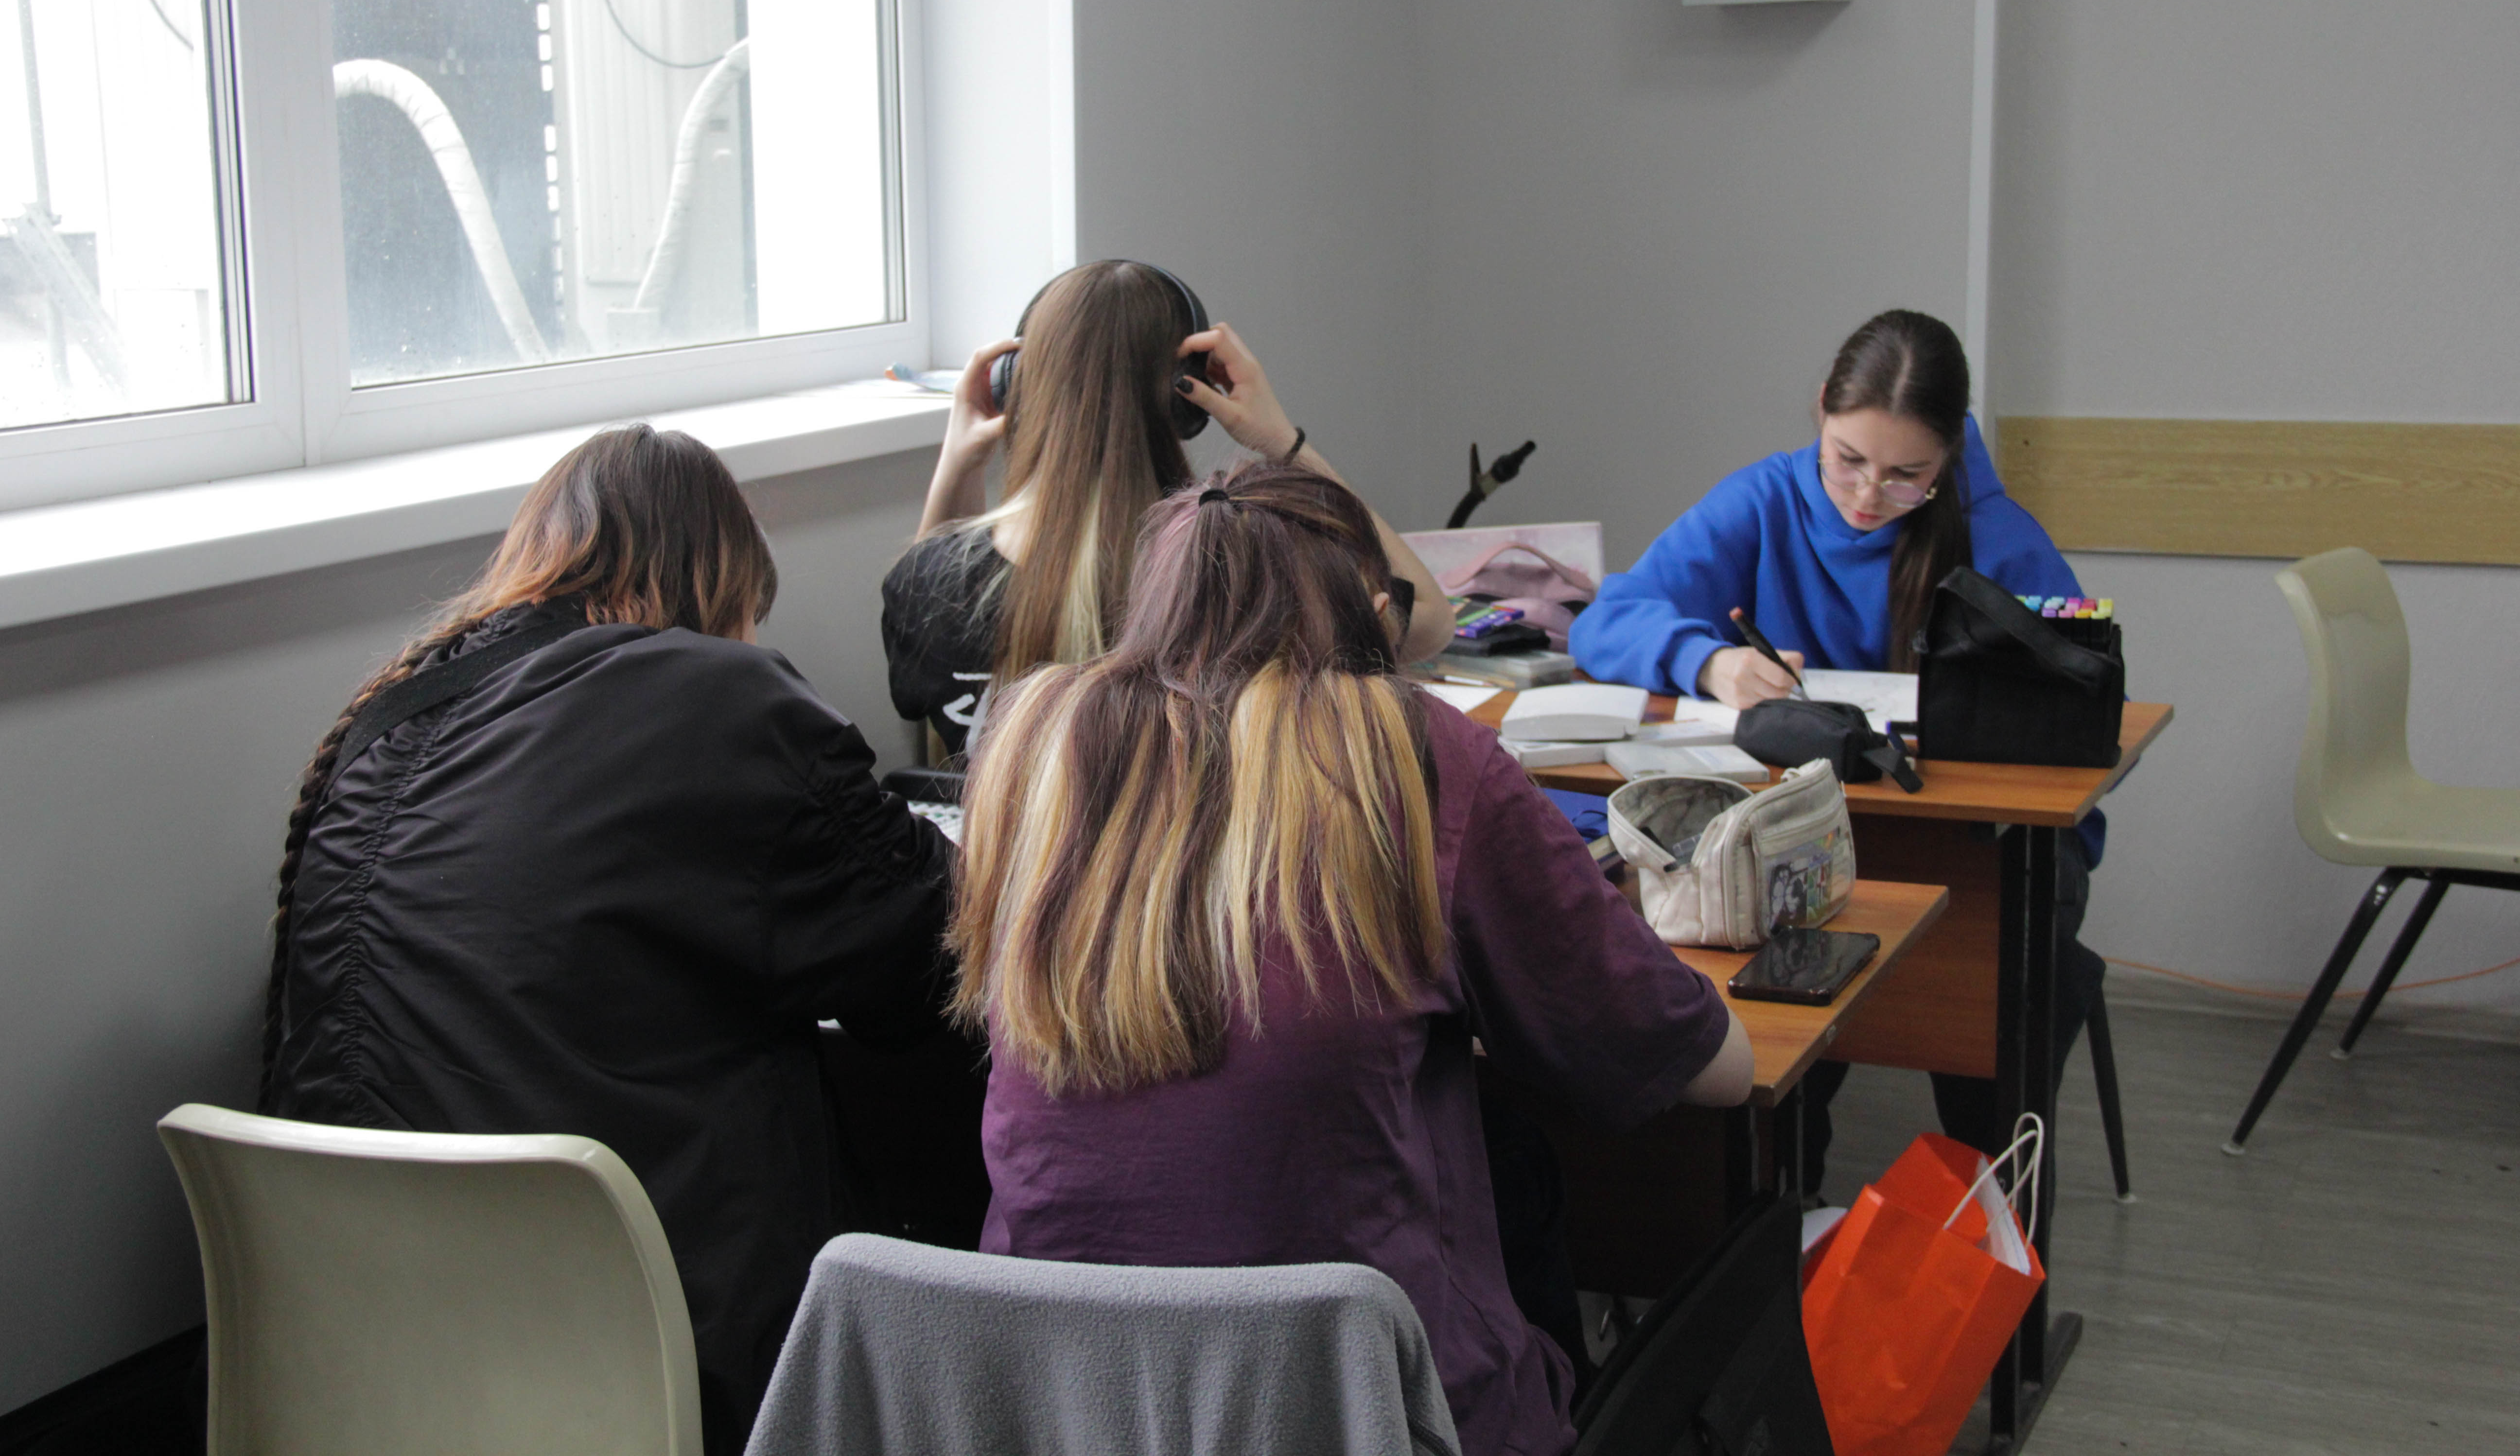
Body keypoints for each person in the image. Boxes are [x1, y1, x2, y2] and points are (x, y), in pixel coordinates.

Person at [952, 460, 1752, 1456]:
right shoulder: (1414, 752)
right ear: (1375, 615)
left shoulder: (1027, 743)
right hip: (1357, 1407)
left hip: (1060, 1402)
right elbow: (1699, 1064)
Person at [258, 425, 956, 1455]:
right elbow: (928, 958)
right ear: (716, 592)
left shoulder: (383, 726)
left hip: (364, 1355)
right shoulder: (721, 699)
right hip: (646, 1342)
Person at [1568, 308, 2106, 1188]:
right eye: (1847, 459)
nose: (1865, 495)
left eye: (1905, 477)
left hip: (1978, 842)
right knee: (1767, 1017)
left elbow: (2078, 698)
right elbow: (1607, 620)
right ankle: (1782, 1212)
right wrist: (1709, 662)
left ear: (1947, 458)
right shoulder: (1764, 499)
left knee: (1987, 1016)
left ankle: (1990, 1226)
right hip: (1803, 834)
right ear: (1820, 410)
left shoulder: (1994, 533)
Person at [882, 259, 1453, 758]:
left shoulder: (930, 580)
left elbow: (925, 608)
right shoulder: (1242, 563)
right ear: (1188, 396)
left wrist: (959, 461)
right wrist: (1282, 440)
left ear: (1017, 385)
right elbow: (1427, 622)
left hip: (996, 856)